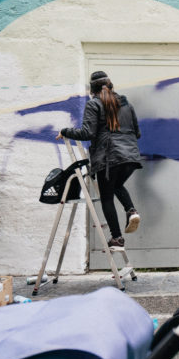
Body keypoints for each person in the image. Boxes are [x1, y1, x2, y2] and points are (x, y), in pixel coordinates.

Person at [57, 71, 142, 249]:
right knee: (117, 185)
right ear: (111, 86)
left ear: (92, 90)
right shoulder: (126, 104)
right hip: (130, 157)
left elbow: (87, 133)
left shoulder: (94, 104)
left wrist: (65, 131)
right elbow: (137, 132)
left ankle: (117, 238)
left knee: (107, 197)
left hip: (109, 159)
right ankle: (131, 210)